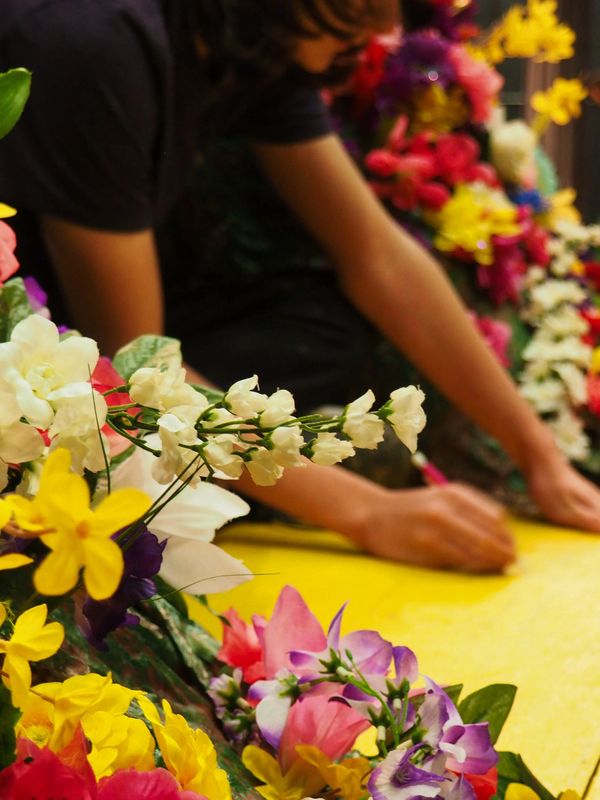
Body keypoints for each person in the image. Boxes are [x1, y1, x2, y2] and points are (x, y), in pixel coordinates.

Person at [1, 0, 599, 575]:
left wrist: (539, 456)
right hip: (35, 390)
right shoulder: (96, 39)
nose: (388, 20)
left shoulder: (251, 34)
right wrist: (368, 512)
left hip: (115, 360)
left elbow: (377, 256)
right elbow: (139, 367)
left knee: (326, 334)